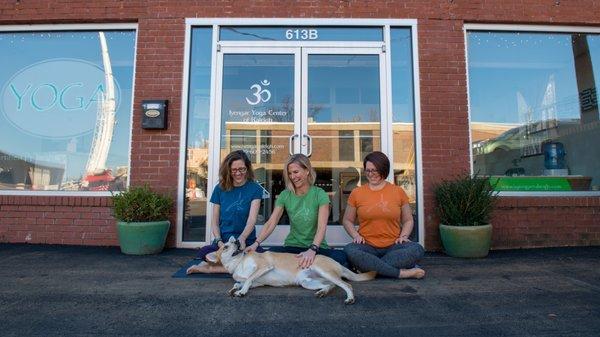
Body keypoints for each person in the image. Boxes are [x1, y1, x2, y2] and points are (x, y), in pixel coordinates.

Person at [246, 154, 347, 268]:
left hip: (317, 248)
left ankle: (302, 267)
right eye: (290, 173)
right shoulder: (285, 195)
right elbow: (271, 222)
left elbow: (321, 227)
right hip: (292, 247)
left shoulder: (320, 194)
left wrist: (312, 250)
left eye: (296, 172)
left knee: (341, 257)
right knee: (269, 253)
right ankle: (305, 268)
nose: (293, 177)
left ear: (307, 171)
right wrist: (256, 243)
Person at [342, 151, 425, 279]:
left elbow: (408, 220)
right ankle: (401, 273)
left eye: (374, 171)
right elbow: (347, 220)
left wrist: (404, 236)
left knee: (417, 249)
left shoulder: (398, 192)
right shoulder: (357, 193)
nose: (370, 174)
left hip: (394, 246)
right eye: (368, 171)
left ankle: (369, 268)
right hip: (366, 246)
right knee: (350, 250)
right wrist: (355, 235)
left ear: (383, 170)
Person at [187, 150, 265, 274]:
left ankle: (210, 269)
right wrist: (218, 241)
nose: (238, 173)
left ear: (247, 168)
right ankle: (232, 266)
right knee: (204, 253)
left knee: (260, 259)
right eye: (234, 170)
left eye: (242, 169)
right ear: (228, 170)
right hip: (224, 243)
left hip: (245, 242)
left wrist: (242, 239)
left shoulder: (255, 188)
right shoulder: (219, 188)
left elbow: (252, 220)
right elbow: (215, 220)